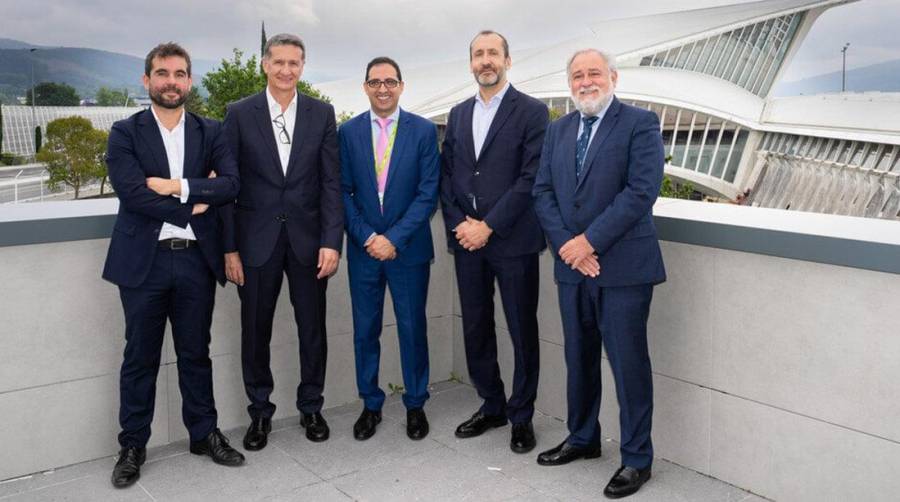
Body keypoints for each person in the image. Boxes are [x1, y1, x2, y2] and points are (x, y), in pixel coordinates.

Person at [103, 42, 244, 488]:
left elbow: (231, 186)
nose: (171, 81)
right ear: (147, 80)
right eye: (162, 73)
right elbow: (133, 193)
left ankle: (203, 434)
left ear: (189, 81)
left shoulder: (212, 130)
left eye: (179, 74)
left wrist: (175, 185)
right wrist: (192, 203)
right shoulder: (125, 132)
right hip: (143, 264)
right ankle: (132, 445)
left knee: (195, 354)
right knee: (139, 358)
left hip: (195, 263)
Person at [532, 48, 666, 499]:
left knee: (628, 364)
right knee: (579, 357)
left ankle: (636, 458)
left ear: (613, 77)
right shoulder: (559, 130)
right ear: (569, 82)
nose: (585, 81)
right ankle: (583, 437)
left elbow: (642, 191)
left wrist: (588, 242)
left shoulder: (640, 123)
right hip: (573, 269)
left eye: (594, 73)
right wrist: (571, 250)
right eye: (577, 75)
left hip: (624, 268)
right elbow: (543, 191)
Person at [220, 33, 342, 451]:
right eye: (279, 62)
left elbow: (331, 182)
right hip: (255, 244)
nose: (286, 70)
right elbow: (228, 187)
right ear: (264, 65)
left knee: (313, 330)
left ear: (302, 67)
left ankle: (311, 406)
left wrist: (332, 241)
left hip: (310, 243)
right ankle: (259, 414)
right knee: (255, 332)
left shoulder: (322, 113)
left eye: (294, 63)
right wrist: (229, 248)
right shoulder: (238, 114)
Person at [440, 30, 548, 453]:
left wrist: (489, 225)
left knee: (522, 328)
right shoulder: (458, 112)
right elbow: (447, 175)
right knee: (476, 325)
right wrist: (460, 224)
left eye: (493, 53)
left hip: (513, 240)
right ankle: (492, 404)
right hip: (467, 241)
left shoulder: (533, 112)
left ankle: (522, 415)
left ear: (507, 59)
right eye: (478, 54)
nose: (486, 60)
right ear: (471, 63)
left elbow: (531, 178)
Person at [340, 57, 440, 441]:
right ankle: (371, 404)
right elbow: (343, 192)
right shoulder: (347, 133)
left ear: (401, 85)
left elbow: (428, 192)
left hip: (409, 250)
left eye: (390, 82)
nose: (383, 88)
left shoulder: (423, 131)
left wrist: (393, 238)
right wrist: (368, 237)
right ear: (365, 86)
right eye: (375, 82)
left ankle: (416, 404)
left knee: (413, 329)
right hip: (364, 251)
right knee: (365, 331)